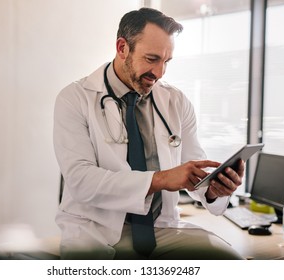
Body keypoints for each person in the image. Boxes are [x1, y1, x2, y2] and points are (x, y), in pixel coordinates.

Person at [53, 7, 245, 260]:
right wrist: (162, 179)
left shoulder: (176, 102)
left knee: (230, 261)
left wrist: (213, 189)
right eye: (152, 59)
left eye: (166, 62)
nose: (159, 72)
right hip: (94, 231)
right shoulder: (75, 98)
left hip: (160, 229)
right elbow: (81, 181)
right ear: (122, 48)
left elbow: (194, 169)